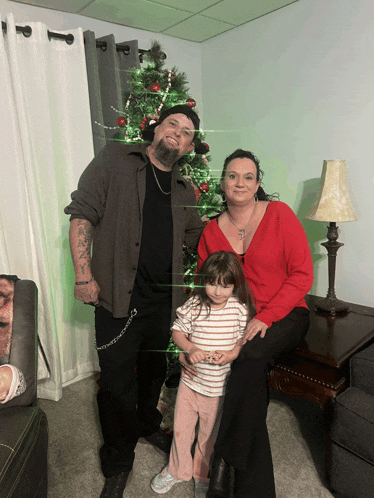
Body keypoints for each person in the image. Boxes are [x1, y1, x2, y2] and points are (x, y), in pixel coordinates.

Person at [64, 105, 205, 498]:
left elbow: (199, 238)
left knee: (153, 371)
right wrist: (82, 274)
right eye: (172, 124)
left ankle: (145, 423)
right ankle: (117, 458)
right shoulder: (115, 159)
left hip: (166, 303)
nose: (178, 133)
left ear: (191, 145)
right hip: (118, 299)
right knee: (115, 383)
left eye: (187, 132)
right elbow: (82, 214)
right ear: (156, 128)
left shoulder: (183, 187)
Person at [180, 149, 314, 498]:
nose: (240, 182)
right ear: (222, 183)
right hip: (237, 320)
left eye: (248, 176)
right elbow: (204, 289)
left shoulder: (279, 214)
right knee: (249, 381)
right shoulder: (211, 231)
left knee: (247, 359)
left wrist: (265, 317)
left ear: (257, 184)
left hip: (286, 314)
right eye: (232, 176)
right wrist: (190, 343)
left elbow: (302, 275)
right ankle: (252, 489)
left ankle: (221, 464)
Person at [151, 251, 253, 498]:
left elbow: (241, 342)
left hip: (218, 389)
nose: (217, 292)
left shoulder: (239, 310)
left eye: (225, 286)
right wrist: (190, 348)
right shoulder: (194, 305)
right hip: (190, 384)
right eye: (211, 284)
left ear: (234, 285)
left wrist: (232, 354)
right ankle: (177, 470)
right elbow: (178, 333)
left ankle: (201, 474)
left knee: (209, 437)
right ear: (203, 281)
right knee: (182, 430)